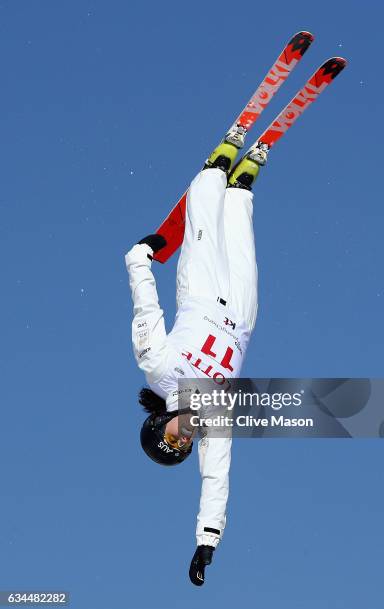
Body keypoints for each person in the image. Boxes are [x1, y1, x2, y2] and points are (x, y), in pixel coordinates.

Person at [125, 132, 263, 585]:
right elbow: (216, 479)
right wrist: (207, 542)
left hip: (201, 294)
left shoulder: (159, 370)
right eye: (184, 447)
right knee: (240, 240)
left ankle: (217, 167)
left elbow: (148, 310)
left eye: (173, 436)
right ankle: (242, 187)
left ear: (159, 421)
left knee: (204, 218)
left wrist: (139, 261)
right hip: (240, 317)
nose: (185, 438)